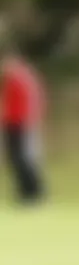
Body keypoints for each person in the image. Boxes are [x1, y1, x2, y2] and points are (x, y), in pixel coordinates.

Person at [0, 51, 44, 205]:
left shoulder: (18, 79)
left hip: (20, 123)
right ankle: (26, 193)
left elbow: (22, 104)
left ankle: (33, 194)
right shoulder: (16, 79)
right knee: (19, 159)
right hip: (17, 123)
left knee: (23, 158)